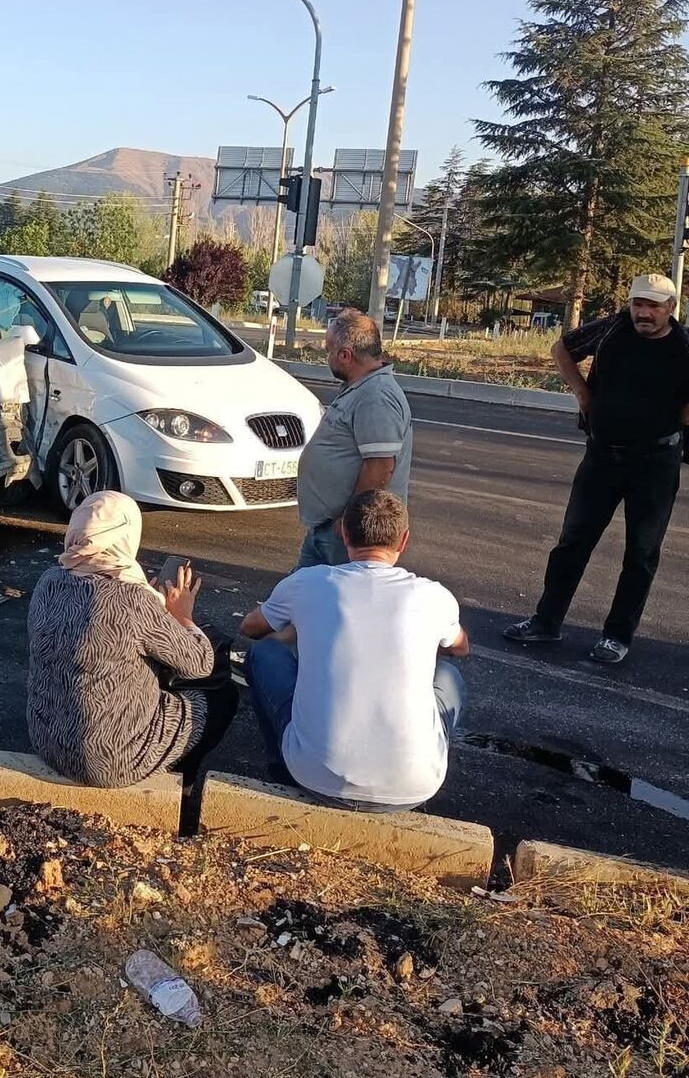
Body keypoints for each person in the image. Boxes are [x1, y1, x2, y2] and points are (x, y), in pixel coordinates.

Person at [242, 489, 467, 812]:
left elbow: (251, 628)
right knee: (449, 676)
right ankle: (416, 759)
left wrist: (299, 626)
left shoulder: (308, 583)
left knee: (264, 654)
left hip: (313, 775)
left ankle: (282, 764)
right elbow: (460, 647)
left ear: (343, 532)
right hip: (413, 789)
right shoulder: (433, 596)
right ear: (403, 540)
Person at [505, 274, 689, 665]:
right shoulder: (613, 328)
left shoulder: (684, 346)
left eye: (654, 306)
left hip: (655, 464)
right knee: (572, 542)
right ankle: (546, 621)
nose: (643, 312)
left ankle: (616, 635)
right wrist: (584, 396)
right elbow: (562, 348)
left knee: (640, 554)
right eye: (638, 303)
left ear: (671, 308)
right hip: (602, 456)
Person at [25, 490, 237, 788]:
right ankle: (184, 782)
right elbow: (199, 664)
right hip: (110, 762)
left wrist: (149, 604)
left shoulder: (49, 581)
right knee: (222, 698)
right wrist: (182, 614)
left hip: (47, 742)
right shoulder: (134, 600)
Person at [294, 309, 413, 567]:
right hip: (330, 528)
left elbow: (380, 466)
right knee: (299, 599)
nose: (327, 357)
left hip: (351, 535)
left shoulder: (377, 396)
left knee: (330, 603)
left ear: (345, 356)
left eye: (329, 350)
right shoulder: (360, 388)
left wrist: (350, 519)